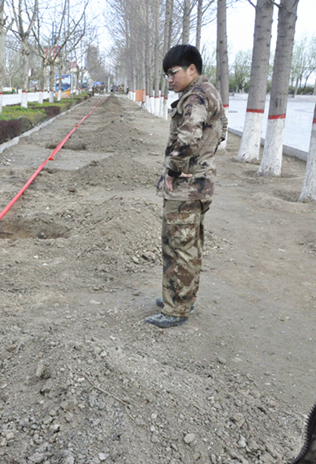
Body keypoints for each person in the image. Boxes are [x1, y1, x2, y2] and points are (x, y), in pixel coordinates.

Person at [145, 44, 227, 328]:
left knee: (178, 246)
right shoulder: (210, 93)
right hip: (201, 183)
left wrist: (172, 169)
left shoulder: (195, 98)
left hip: (185, 186)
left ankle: (176, 308)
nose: (170, 79)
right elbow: (222, 131)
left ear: (192, 69)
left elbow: (188, 136)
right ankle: (181, 296)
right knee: (190, 245)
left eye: (173, 72)